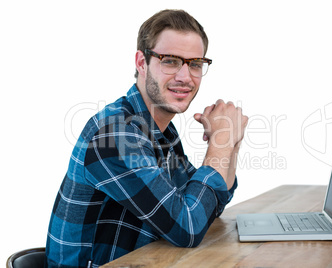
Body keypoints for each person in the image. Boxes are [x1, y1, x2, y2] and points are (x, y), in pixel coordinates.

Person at [45, 9, 248, 267]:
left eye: (195, 64)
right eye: (170, 61)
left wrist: (232, 140)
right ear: (142, 63)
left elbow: (210, 205)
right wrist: (221, 141)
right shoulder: (115, 134)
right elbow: (189, 228)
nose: (185, 77)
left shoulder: (161, 130)